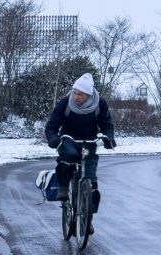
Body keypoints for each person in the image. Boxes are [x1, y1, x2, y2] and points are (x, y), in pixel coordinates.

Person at [42, 72, 116, 211]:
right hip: (68, 138)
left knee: (91, 176)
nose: (76, 97)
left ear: (89, 94)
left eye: (80, 94)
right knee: (69, 155)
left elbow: (106, 124)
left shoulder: (99, 104)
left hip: (89, 140)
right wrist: (53, 138)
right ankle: (63, 188)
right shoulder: (66, 103)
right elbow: (52, 125)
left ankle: (88, 218)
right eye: (75, 93)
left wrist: (109, 138)